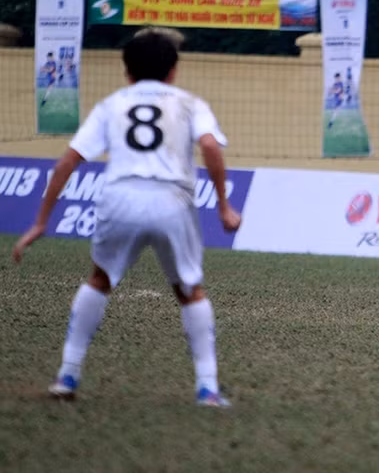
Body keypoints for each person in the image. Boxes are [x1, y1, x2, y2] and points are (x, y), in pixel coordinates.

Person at [12, 28, 240, 408]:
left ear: (126, 71)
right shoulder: (189, 103)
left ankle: (67, 374)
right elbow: (211, 146)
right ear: (174, 71)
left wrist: (40, 221)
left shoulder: (111, 105)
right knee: (189, 291)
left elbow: (68, 161)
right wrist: (223, 205)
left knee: (100, 280)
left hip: (120, 199)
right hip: (172, 200)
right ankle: (207, 388)